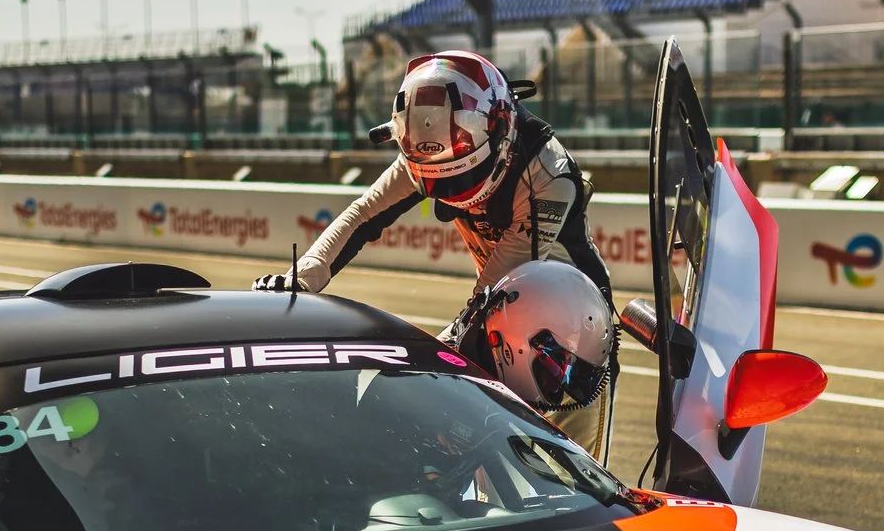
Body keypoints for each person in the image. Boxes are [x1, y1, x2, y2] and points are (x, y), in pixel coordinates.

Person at [252, 50, 617, 458]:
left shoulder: (548, 175)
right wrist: (302, 277)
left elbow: (495, 290)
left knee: (567, 471)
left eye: (464, 175)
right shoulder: (434, 148)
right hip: (504, 320)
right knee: (488, 463)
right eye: (435, 180)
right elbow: (364, 215)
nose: (451, 193)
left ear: (499, 132)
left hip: (573, 338)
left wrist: (425, 368)